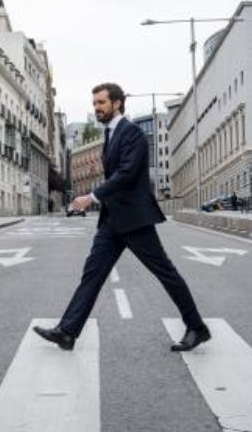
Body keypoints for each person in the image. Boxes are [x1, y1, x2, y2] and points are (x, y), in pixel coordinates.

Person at [34, 83, 210, 352]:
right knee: (91, 275)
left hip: (134, 219)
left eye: (101, 103)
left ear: (117, 103)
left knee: (165, 273)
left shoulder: (133, 134)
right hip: (112, 221)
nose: (97, 108)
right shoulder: (111, 134)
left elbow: (127, 174)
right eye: (94, 104)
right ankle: (67, 331)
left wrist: (91, 197)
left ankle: (197, 327)